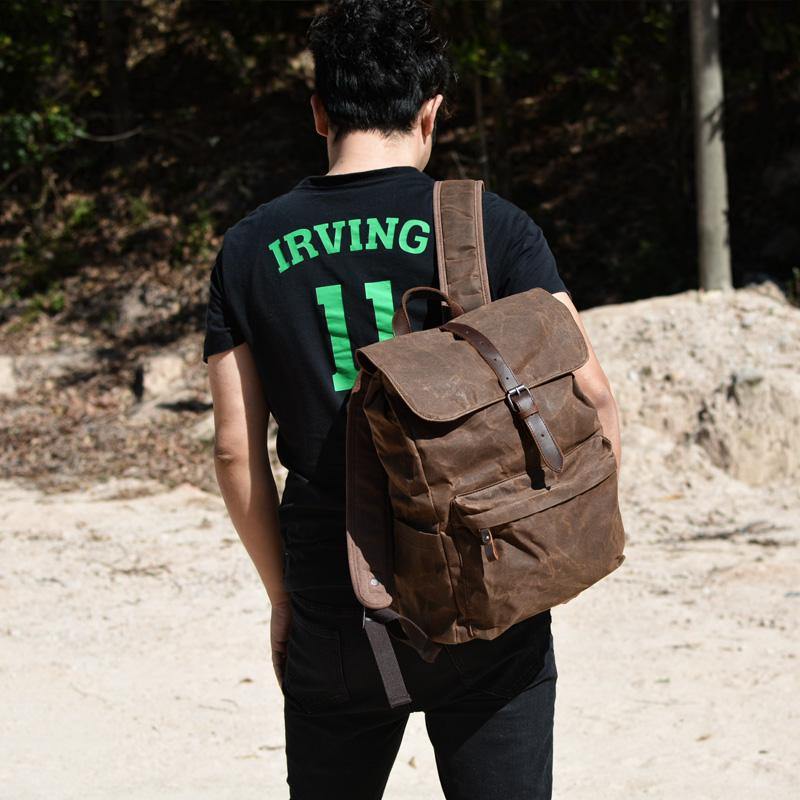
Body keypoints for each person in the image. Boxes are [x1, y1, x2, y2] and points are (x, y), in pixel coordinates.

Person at [202, 1, 622, 798]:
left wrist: (285, 597)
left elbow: (233, 450)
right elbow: (591, 394)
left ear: (319, 111)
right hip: (485, 576)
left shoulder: (249, 246)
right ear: (431, 112)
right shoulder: (491, 226)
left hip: (336, 596)